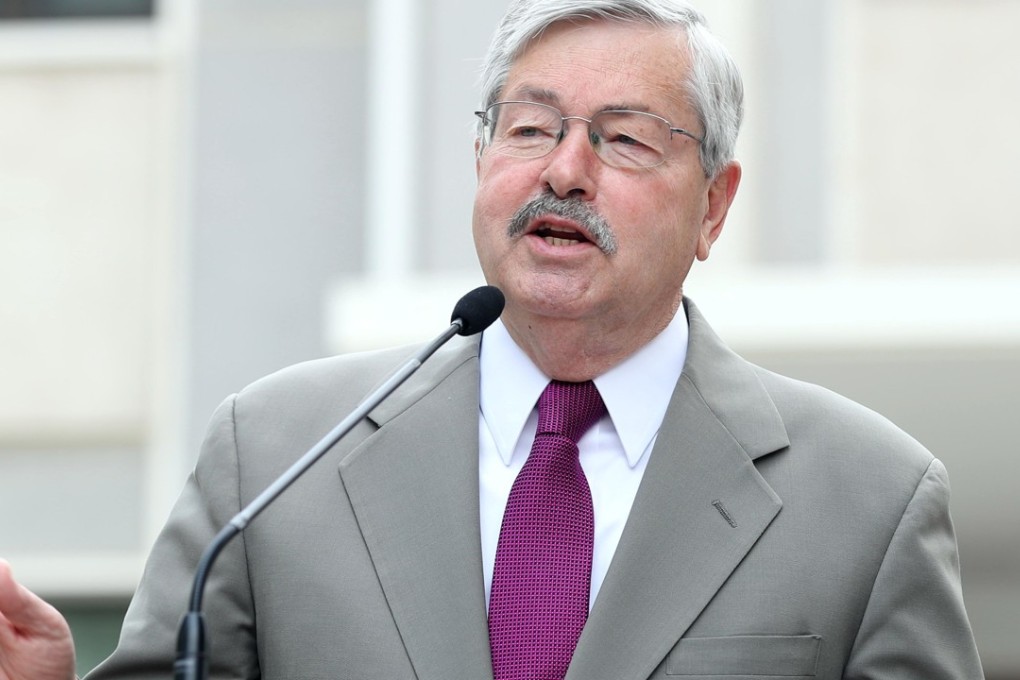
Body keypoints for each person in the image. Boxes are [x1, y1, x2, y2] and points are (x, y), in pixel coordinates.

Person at [0, 0, 984, 678]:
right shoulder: (273, 456)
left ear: (714, 207)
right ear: (480, 158)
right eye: (529, 128)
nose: (565, 171)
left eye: (625, 138)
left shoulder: (870, 503)